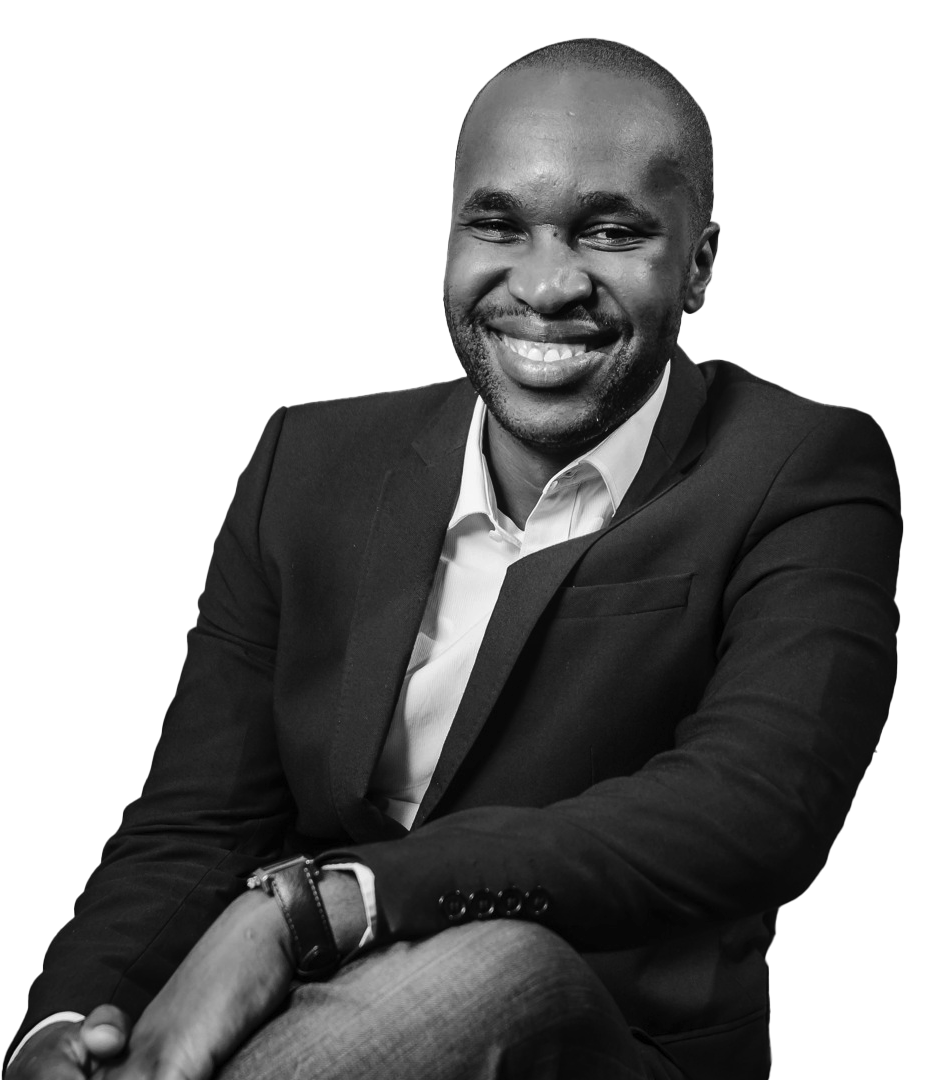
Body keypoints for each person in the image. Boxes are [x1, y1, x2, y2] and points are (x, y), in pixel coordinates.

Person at [5, 37, 901, 1080]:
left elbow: (752, 807)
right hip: (291, 1019)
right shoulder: (309, 458)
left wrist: (328, 903)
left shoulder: (801, 468)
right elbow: (197, 821)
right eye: (498, 225)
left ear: (698, 265)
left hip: (604, 1041)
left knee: (497, 965)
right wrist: (66, 1026)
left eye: (611, 231)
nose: (546, 284)